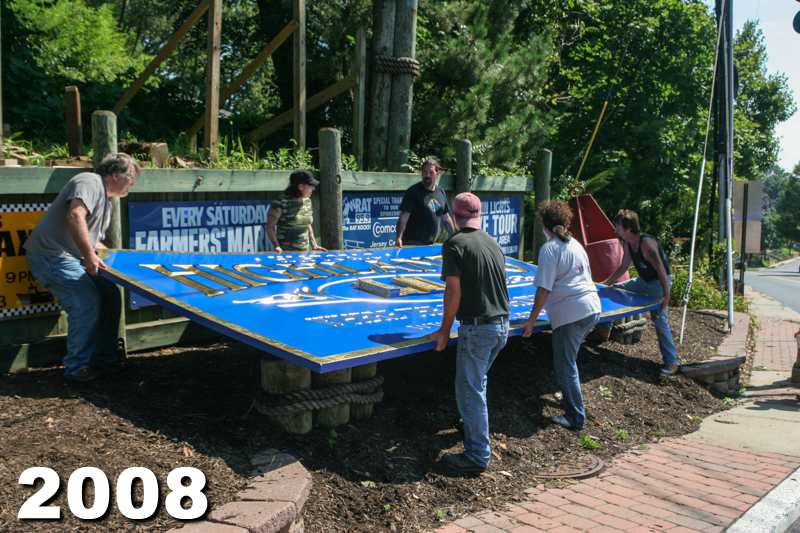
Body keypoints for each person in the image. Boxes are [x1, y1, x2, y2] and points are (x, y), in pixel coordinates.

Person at [24, 153, 141, 382]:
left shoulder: (105, 200)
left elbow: (93, 240)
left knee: (110, 294)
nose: (133, 182)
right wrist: (89, 255)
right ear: (116, 174)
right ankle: (76, 368)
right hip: (50, 256)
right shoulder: (89, 180)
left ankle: (104, 358)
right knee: (86, 301)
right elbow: (75, 215)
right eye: (131, 176)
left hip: (71, 258)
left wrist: (118, 261)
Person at [429, 192, 509, 474]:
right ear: (478, 216)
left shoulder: (455, 244)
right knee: (478, 384)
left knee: (469, 390)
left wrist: (444, 331)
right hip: (501, 325)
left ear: (454, 216)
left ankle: (476, 455)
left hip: (478, 328)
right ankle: (471, 425)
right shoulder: (491, 242)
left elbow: (453, 290)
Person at [522, 201, 601, 430]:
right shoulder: (575, 244)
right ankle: (569, 398)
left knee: (566, 366)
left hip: (571, 313)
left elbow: (544, 289)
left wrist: (531, 321)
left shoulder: (550, 249)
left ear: (545, 225)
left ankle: (575, 417)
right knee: (569, 362)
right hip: (591, 308)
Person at [598, 209, 679, 375]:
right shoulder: (627, 242)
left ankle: (671, 362)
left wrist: (666, 295)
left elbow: (662, 270)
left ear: (628, 229)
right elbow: (623, 266)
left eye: (618, 227)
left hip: (658, 284)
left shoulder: (646, 243)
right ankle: (602, 330)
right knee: (614, 290)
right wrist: (606, 283)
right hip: (642, 282)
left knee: (659, 319)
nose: (615, 230)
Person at [395, 157, 455, 248]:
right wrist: (399, 238)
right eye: (425, 172)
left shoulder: (441, 192)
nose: (427, 175)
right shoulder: (413, 192)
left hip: (431, 244)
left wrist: (454, 236)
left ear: (437, 174)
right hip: (413, 243)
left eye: (431, 172)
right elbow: (403, 218)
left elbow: (445, 217)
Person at [266, 169, 327, 253]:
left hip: (305, 251)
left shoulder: (308, 201)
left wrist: (314, 245)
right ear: (300, 186)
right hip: (286, 251)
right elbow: (269, 226)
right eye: (310, 185)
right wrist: (277, 246)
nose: (313, 188)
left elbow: (307, 224)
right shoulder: (281, 202)